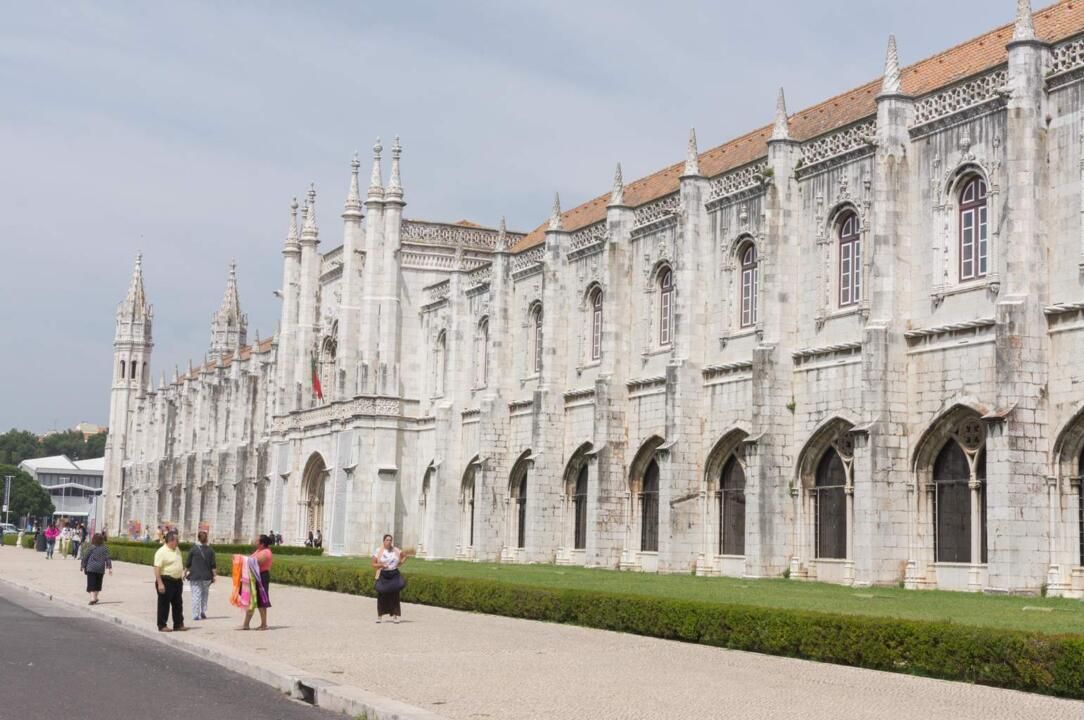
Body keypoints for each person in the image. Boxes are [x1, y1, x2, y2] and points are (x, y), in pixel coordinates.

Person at [153, 531, 187, 632]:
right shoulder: (161, 552)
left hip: (177, 581)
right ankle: (162, 625)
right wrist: (160, 583)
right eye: (177, 540)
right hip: (166, 580)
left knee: (178, 604)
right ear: (171, 541)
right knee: (164, 604)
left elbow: (178, 561)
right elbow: (157, 568)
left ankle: (178, 624)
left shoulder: (177, 549)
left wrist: (183, 570)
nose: (178, 542)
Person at [371, 534, 407, 624]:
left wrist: (400, 563)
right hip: (384, 574)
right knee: (382, 595)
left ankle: (395, 616)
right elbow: (373, 564)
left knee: (395, 595)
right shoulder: (378, 551)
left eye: (390, 540)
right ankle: (379, 616)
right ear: (383, 541)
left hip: (394, 574)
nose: (389, 541)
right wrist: (381, 565)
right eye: (387, 540)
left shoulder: (396, 550)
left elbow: (405, 556)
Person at [240, 535, 273, 630]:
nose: (255, 541)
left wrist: (241, 559)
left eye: (257, 540)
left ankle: (264, 624)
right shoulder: (259, 551)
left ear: (262, 544)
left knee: (261, 600)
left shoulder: (266, 553)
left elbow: (254, 562)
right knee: (252, 600)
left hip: (261, 577)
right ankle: (246, 624)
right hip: (255, 576)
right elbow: (250, 559)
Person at [184, 531, 216, 622]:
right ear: (207, 539)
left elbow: (188, 563)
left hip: (195, 576)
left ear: (198, 538)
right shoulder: (210, 550)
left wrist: (185, 573)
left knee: (196, 595)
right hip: (207, 577)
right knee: (205, 594)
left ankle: (195, 614)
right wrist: (214, 576)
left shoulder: (193, 549)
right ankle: (203, 611)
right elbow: (213, 565)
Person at [80, 533, 112, 605]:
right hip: (100, 568)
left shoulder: (92, 547)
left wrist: (82, 565)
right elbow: (108, 558)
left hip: (91, 568)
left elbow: (86, 556)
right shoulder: (105, 548)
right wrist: (110, 568)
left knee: (91, 583)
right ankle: (95, 597)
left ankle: (92, 598)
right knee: (98, 584)